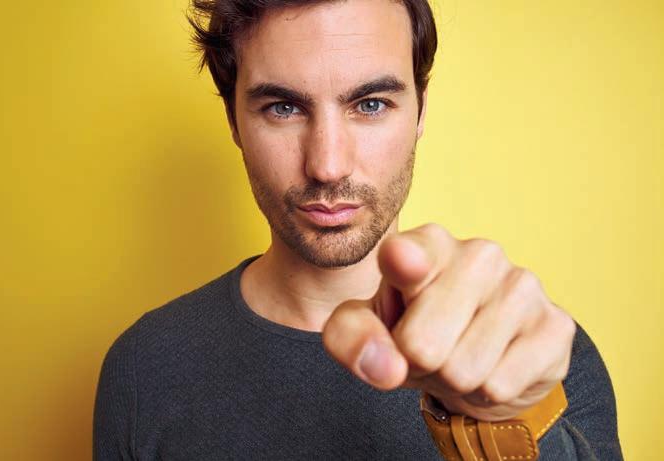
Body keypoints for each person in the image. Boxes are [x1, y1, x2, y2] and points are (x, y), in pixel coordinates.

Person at [93, 0, 623, 459]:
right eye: (283, 108)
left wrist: (501, 423)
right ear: (234, 120)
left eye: (370, 105)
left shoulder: (532, 355)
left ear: (420, 112)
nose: (327, 165)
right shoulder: (145, 368)